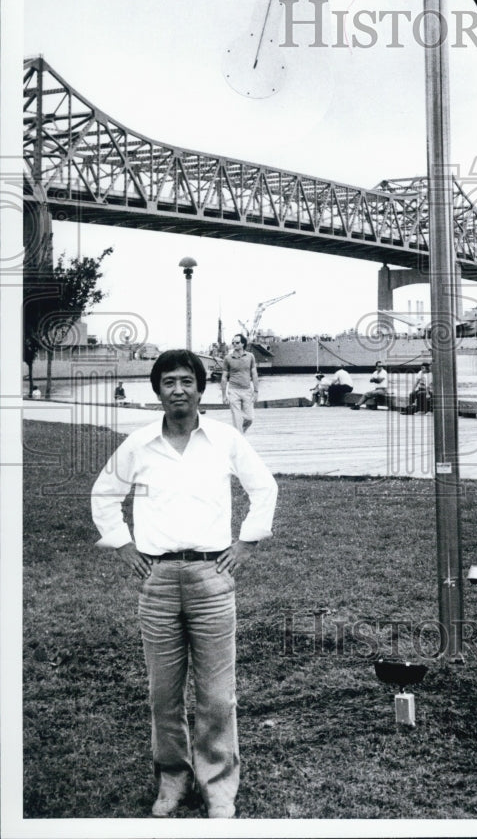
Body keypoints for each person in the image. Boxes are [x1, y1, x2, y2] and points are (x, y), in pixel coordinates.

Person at [90, 349, 277, 820]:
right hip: (157, 581)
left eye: (186, 381)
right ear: (157, 391)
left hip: (211, 577)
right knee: (163, 693)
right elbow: (105, 494)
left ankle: (217, 784)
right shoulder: (138, 444)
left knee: (217, 693)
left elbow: (264, 488)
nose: (178, 390)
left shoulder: (225, 439)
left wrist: (247, 544)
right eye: (168, 382)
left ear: (201, 388)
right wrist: (124, 546)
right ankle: (172, 778)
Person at [221, 334, 259, 433]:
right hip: (233, 391)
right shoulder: (228, 358)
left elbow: (254, 374)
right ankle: (239, 439)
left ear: (243, 343)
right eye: (233, 342)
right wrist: (224, 395)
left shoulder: (250, 356)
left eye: (237, 342)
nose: (234, 344)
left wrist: (256, 391)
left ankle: (238, 435)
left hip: (247, 390)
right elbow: (224, 377)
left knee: (250, 418)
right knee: (237, 421)